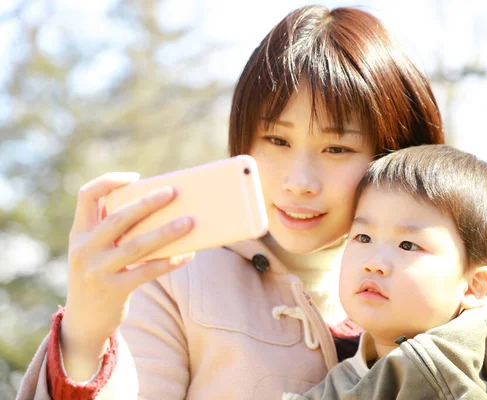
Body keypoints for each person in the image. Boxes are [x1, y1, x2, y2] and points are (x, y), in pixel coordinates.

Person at [16, 5, 445, 399]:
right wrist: (86, 338)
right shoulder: (173, 276)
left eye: (336, 149)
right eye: (277, 140)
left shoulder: (444, 288)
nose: (299, 182)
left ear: (394, 154)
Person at [283, 145, 487, 399]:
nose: (373, 262)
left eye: (407, 245)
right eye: (363, 238)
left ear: (474, 287)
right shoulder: (339, 385)